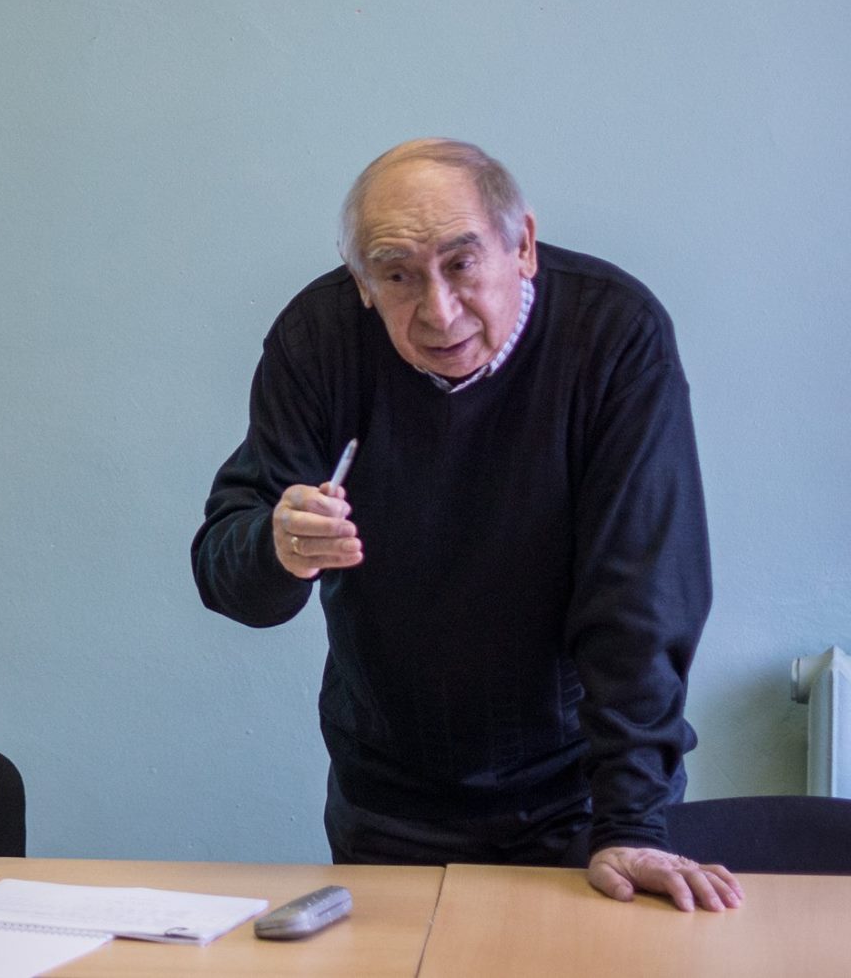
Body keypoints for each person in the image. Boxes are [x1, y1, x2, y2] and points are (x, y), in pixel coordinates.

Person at [194, 138, 742, 912]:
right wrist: (276, 546)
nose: (438, 310)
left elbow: (641, 598)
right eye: (396, 275)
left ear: (523, 247)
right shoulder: (318, 338)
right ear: (360, 281)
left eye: (461, 264)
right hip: (389, 791)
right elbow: (228, 574)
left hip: (581, 787)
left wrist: (631, 820)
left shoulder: (614, 334)